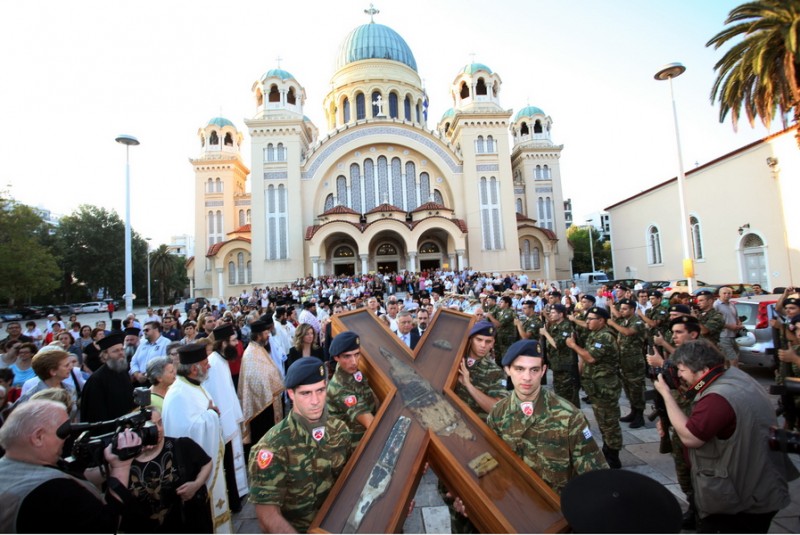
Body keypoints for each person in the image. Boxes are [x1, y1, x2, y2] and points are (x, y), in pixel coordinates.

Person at [654, 340, 798, 533]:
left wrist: (666, 395)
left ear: (702, 369)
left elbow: (691, 437)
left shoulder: (718, 396)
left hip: (741, 499)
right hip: (758, 484)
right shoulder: (732, 376)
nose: (679, 376)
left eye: (682, 370)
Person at [0, 399, 141, 533]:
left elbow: (75, 476)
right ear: (38, 437)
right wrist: (121, 467)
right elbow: (108, 524)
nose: (68, 437)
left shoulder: (10, 468)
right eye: (64, 431)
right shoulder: (53, 490)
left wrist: (111, 465)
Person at [487, 340, 607, 493]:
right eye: (519, 369)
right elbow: (493, 460)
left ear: (543, 371)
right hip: (515, 502)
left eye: (534, 370)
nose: (527, 377)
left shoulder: (569, 416)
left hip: (556, 508)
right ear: (507, 370)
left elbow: (594, 474)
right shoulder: (498, 413)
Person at [248, 357, 353, 533]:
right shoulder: (271, 448)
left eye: (320, 390)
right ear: (290, 394)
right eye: (306, 393)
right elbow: (267, 517)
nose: (316, 400)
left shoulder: (339, 430)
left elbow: (354, 478)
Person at [162, 342, 232, 533]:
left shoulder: (194, 386)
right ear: (194, 368)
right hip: (191, 474)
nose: (209, 365)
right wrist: (210, 415)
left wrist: (209, 413)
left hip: (202, 465)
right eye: (205, 362)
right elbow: (185, 433)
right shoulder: (177, 394)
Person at [121, 409, 214, 533]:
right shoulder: (124, 461)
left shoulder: (181, 445)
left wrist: (196, 484)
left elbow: (207, 463)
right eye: (151, 426)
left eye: (160, 423)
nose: (158, 429)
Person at [566, 306, 623, 468]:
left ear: (602, 321)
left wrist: (573, 345)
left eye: (591, 319)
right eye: (587, 318)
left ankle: (613, 456)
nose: (588, 322)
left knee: (609, 422)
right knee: (603, 421)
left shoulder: (604, 336)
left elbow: (590, 358)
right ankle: (607, 448)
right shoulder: (595, 334)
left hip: (606, 387)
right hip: (597, 386)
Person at [207, 323, 248, 513]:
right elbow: (217, 397)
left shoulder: (221, 361)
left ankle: (238, 494)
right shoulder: (213, 364)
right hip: (225, 426)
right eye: (233, 341)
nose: (237, 344)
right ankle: (234, 499)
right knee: (228, 466)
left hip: (231, 421)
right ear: (223, 343)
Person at [238, 319, 284, 459]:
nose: (268, 335)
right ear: (258, 335)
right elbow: (256, 379)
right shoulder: (251, 354)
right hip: (262, 407)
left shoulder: (259, 349)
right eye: (266, 333)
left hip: (269, 402)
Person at [325, 331, 376, 447]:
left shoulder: (351, 371)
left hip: (364, 438)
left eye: (357, 354)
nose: (354, 362)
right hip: (354, 447)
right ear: (336, 357)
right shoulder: (340, 387)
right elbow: (371, 423)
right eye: (347, 356)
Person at [454, 320, 508, 421]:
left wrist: (469, 385)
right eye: (479, 340)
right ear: (470, 340)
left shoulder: (496, 372)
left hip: (476, 429)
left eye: (488, 341)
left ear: (493, 343)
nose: (483, 345)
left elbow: (498, 410)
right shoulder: (455, 360)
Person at [607, 298, 646, 428]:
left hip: (634, 362)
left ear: (632, 309)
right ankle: (633, 411)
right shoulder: (625, 321)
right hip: (624, 360)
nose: (621, 311)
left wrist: (613, 323)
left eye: (625, 309)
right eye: (621, 309)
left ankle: (640, 415)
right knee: (628, 388)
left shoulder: (638, 321)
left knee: (636, 388)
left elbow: (628, 332)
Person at [80, 333, 135, 423]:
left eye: (122, 349)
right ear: (105, 355)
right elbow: (95, 415)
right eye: (116, 351)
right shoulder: (96, 380)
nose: (121, 353)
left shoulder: (123, 371)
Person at [541, 304, 580, 407]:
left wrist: (545, 333)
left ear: (561, 314)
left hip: (566, 365)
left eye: (553, 313)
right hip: (557, 363)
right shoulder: (555, 325)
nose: (551, 315)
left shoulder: (566, 326)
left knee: (569, 395)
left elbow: (557, 344)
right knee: (559, 392)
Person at [714, 286, 742, 369]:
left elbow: (736, 317)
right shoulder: (716, 305)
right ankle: (735, 378)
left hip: (733, 335)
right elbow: (715, 321)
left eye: (729, 293)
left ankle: (726, 373)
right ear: (719, 294)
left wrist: (739, 324)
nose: (727, 295)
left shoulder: (731, 304)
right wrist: (729, 326)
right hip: (723, 336)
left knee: (728, 359)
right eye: (724, 293)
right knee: (734, 359)